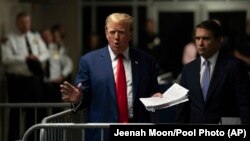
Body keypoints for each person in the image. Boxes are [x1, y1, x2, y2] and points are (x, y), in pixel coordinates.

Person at [60, 12, 161, 141]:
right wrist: (78, 99)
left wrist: (156, 96)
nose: (116, 37)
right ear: (106, 33)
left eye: (121, 32)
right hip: (102, 133)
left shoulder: (147, 61)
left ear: (131, 34)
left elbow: (154, 91)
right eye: (112, 32)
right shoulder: (89, 61)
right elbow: (83, 95)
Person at [176, 20, 250, 124]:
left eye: (206, 39)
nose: (200, 43)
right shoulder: (188, 69)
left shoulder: (235, 66)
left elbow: (245, 105)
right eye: (197, 38)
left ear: (219, 41)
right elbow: (182, 108)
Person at [1, 12, 49, 141]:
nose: (25, 25)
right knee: (16, 113)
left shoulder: (35, 37)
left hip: (33, 81)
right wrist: (24, 58)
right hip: (17, 80)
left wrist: (37, 58)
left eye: (27, 22)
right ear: (17, 23)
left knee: (33, 113)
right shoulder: (9, 38)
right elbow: (5, 59)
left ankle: (33, 138)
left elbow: (46, 53)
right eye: (22, 22)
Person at [40, 28, 73, 104]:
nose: (46, 38)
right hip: (43, 85)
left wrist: (62, 75)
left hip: (55, 84)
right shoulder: (38, 50)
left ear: (51, 37)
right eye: (44, 36)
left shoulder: (54, 49)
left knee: (57, 110)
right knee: (42, 110)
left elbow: (67, 63)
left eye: (48, 36)